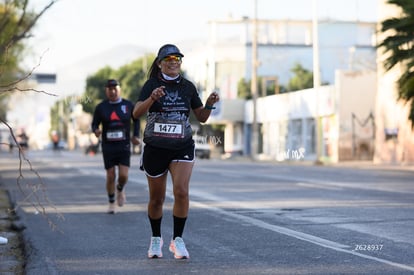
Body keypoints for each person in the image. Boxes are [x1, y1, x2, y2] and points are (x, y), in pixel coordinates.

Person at [132, 44, 219, 259]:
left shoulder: (188, 87)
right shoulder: (151, 84)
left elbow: (201, 117)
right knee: (157, 199)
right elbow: (135, 113)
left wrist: (208, 105)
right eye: (168, 58)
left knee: (181, 191)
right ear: (160, 63)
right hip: (156, 147)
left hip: (182, 146)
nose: (173, 62)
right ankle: (155, 239)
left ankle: (177, 241)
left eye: (177, 58)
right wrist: (152, 98)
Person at [91, 79, 140, 214]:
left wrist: (136, 135)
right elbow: (94, 124)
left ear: (119, 89)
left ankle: (120, 188)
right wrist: (96, 131)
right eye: (109, 89)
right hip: (108, 146)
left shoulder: (128, 105)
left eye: (115, 88)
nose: (112, 91)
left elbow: (136, 120)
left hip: (123, 145)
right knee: (111, 175)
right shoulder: (101, 107)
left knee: (123, 176)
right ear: (106, 91)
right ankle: (111, 202)